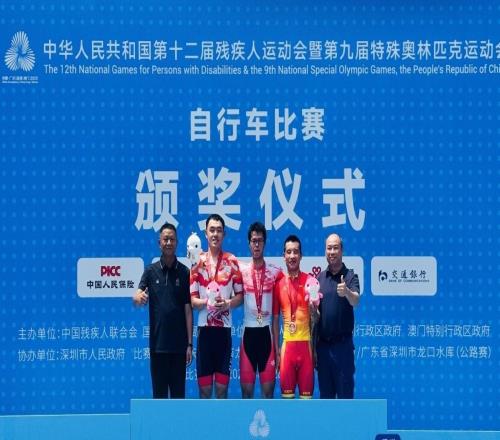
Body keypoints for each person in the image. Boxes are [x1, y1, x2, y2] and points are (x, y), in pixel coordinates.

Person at [133, 222, 193, 398]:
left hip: (179, 348)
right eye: (165, 239)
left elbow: (188, 310)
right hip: (157, 346)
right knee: (159, 398)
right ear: (159, 243)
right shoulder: (150, 271)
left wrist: (189, 344)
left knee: (178, 398)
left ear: (177, 243)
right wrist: (138, 298)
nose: (168, 243)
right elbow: (137, 296)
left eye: (172, 239)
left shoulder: (185, 273)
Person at [190, 214, 243, 398]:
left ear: (224, 234)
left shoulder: (231, 261)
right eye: (211, 230)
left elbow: (240, 296)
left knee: (222, 390)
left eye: (219, 230)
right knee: (204, 391)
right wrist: (208, 303)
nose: (215, 234)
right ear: (205, 234)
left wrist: (227, 303)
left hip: (223, 332)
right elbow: (193, 301)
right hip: (204, 332)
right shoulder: (197, 262)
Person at [239, 222, 282, 398]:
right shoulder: (241, 270)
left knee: (268, 394)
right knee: (246, 394)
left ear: (265, 243)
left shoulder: (276, 272)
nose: (256, 244)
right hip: (248, 334)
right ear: (249, 243)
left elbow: (291, 287)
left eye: (260, 241)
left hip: (266, 335)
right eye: (253, 241)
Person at [315, 233, 360, 399]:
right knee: (326, 401)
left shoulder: (350, 276)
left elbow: (355, 300)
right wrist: (313, 312)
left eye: (335, 248)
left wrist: (347, 292)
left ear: (342, 250)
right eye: (329, 248)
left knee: (345, 399)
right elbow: (317, 315)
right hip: (323, 349)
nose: (332, 252)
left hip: (343, 348)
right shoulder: (319, 278)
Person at [272, 235, 315, 399]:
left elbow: (316, 319)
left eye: (295, 252)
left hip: (306, 349)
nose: (292, 256)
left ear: (301, 256)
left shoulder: (310, 281)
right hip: (287, 349)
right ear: (283, 256)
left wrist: (314, 311)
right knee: (287, 404)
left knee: (307, 404)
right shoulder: (278, 285)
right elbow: (275, 320)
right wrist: (277, 351)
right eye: (288, 252)